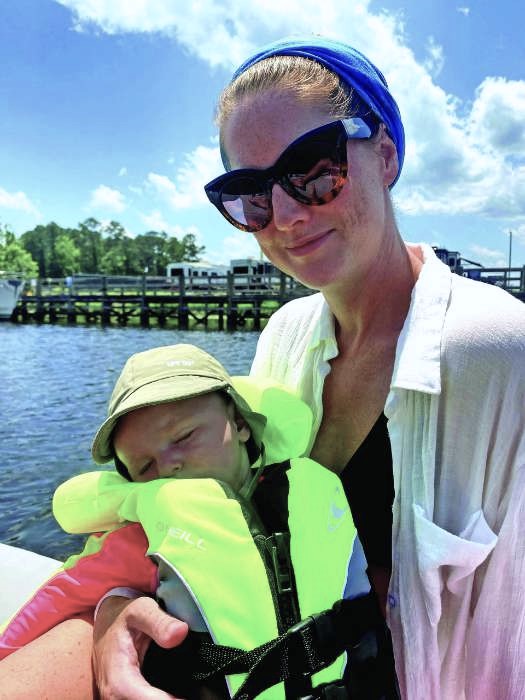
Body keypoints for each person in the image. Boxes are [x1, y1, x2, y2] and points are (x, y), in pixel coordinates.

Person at [88, 36, 525, 700]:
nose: (287, 214)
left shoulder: (495, 350)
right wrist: (115, 605)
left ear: (384, 155)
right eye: (250, 194)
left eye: (314, 168)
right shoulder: (285, 336)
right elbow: (219, 522)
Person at [1, 343, 392, 699]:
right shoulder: (147, 534)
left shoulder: (315, 489)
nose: (168, 467)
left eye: (184, 436)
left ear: (240, 424)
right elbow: (62, 595)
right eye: (145, 466)